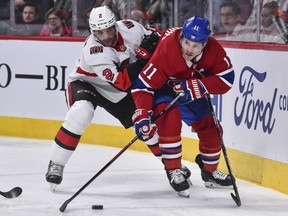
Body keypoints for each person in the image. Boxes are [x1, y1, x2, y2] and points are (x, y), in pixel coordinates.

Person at [45, 6, 191, 194]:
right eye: (99, 32)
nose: (105, 36)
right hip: (88, 84)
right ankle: (56, 163)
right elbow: (122, 81)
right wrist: (142, 58)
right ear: (92, 32)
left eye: (108, 29)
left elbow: (159, 39)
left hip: (118, 92)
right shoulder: (93, 51)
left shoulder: (132, 28)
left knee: (147, 125)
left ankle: (172, 167)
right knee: (81, 113)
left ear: (115, 25)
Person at [131, 16, 235, 196]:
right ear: (181, 38)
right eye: (186, 43)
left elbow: (227, 78)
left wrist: (199, 85)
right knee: (170, 120)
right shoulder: (167, 48)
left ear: (205, 44)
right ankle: (173, 170)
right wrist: (142, 114)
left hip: (188, 87)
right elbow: (143, 86)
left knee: (212, 127)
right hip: (163, 87)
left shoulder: (213, 50)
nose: (189, 49)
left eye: (196, 46)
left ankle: (209, 172)